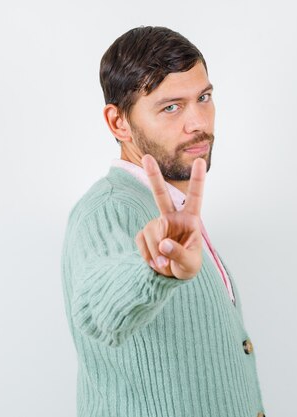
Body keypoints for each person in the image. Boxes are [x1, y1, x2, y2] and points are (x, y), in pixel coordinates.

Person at [61, 26, 266, 417]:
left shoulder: (176, 210)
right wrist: (154, 269)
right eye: (171, 107)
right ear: (119, 123)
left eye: (203, 98)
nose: (198, 123)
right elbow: (97, 309)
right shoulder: (106, 209)